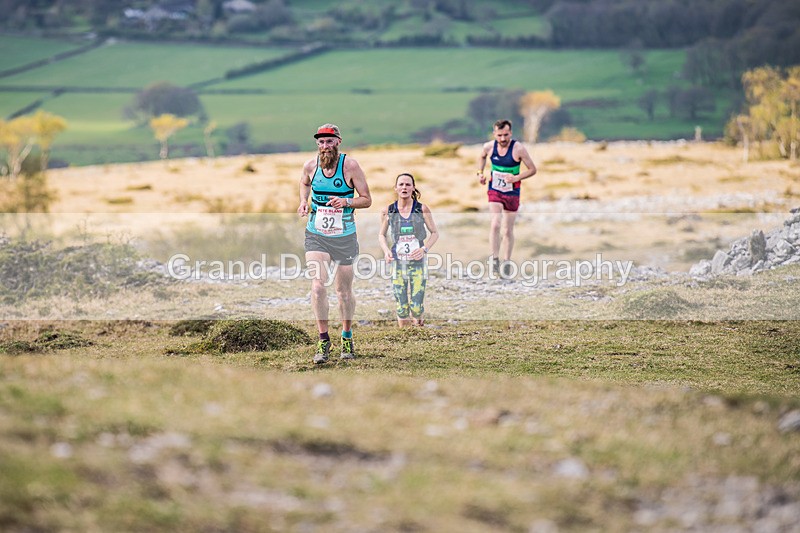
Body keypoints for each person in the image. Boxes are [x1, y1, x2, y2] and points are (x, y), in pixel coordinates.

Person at [298, 123, 372, 364]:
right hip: (316, 234)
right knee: (318, 287)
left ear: (338, 141)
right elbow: (304, 183)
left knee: (343, 292)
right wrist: (303, 202)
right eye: (321, 142)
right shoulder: (310, 165)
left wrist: (346, 202)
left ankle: (347, 336)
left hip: (344, 237)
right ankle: (323, 339)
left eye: (329, 141)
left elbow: (367, 200)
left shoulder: (350, 166)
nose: (325, 146)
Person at [476, 119, 537, 278]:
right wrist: (480, 174)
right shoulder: (489, 147)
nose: (503, 139)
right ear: (494, 134)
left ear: (511, 133)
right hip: (495, 189)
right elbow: (482, 157)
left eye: (506, 135)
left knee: (507, 229)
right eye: (499, 135)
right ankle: (495, 260)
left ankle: (506, 262)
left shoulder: (519, 149)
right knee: (495, 223)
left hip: (512, 192)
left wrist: (517, 178)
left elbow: (532, 169)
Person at [378, 173, 439, 327]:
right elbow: (381, 235)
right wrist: (386, 251)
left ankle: (418, 329)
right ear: (396, 188)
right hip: (398, 263)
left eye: (408, 184)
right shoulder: (389, 210)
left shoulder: (422, 209)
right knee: (401, 304)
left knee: (417, 306)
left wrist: (424, 249)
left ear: (413, 188)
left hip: (418, 263)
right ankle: (404, 336)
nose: (404, 187)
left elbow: (435, 233)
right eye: (401, 184)